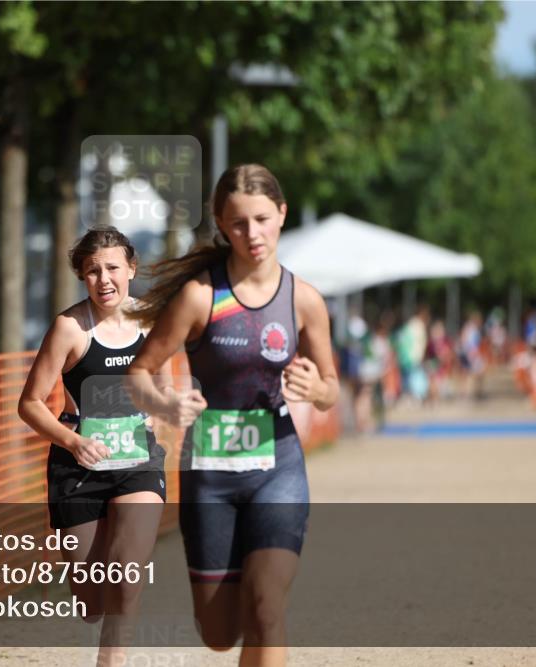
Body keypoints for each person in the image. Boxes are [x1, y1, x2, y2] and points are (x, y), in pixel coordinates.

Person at [127, 164, 339, 666]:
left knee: (267, 608)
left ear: (282, 214)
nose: (253, 234)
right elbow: (139, 374)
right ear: (221, 224)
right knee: (220, 633)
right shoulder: (200, 297)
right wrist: (166, 404)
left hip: (278, 469)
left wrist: (316, 389)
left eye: (262, 219)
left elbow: (331, 389)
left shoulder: (304, 300)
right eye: (239, 223)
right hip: (210, 475)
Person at [17, 226, 197, 665]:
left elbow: (163, 386)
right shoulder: (69, 328)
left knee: (125, 573)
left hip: (137, 461)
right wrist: (73, 441)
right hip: (77, 466)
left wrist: (164, 410)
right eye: (93, 271)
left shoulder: (152, 321)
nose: (104, 279)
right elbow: (30, 403)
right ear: (82, 276)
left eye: (113, 268)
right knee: (91, 602)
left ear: (131, 269)